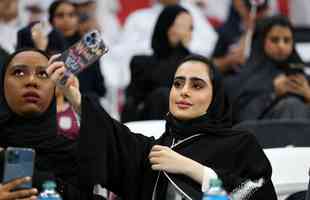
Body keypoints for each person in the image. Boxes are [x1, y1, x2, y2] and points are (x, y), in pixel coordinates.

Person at [48, 54, 277, 199]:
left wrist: (196, 171)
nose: (183, 91)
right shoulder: (158, 148)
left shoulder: (239, 143)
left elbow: (257, 190)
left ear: (215, 96)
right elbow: (115, 138)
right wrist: (75, 97)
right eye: (178, 84)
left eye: (197, 85)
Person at [0, 48, 95, 200]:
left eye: (43, 74)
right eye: (19, 72)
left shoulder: (75, 154)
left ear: (55, 88)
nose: (31, 81)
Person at [123, 5, 192, 122]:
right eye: (185, 27)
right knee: (163, 95)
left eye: (191, 28)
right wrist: (179, 49)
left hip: (184, 122)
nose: (190, 33)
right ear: (168, 28)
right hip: (146, 122)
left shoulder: (192, 63)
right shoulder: (140, 62)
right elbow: (163, 80)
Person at [236, 15, 310, 121]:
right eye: (274, 40)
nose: (281, 46)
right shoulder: (246, 77)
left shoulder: (302, 77)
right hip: (265, 135)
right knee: (292, 104)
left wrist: (308, 95)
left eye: (287, 40)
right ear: (262, 42)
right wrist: (273, 93)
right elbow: (243, 118)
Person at [48, 0, 106, 98]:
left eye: (71, 15)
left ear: (78, 19)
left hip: (86, 104)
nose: (66, 20)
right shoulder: (45, 47)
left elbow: (101, 89)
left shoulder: (88, 46)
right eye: (60, 15)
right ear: (51, 20)